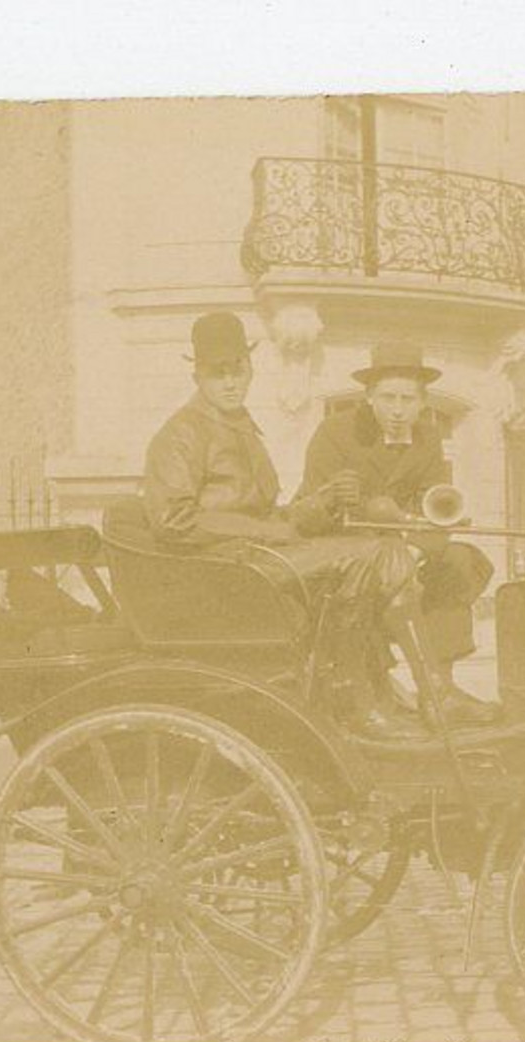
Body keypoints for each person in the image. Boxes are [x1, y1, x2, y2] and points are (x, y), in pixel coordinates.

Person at [141, 311, 428, 740]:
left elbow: (273, 517)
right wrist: (268, 533)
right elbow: (173, 520)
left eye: (237, 369)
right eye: (217, 374)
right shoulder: (181, 434)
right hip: (224, 572)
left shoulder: (241, 430)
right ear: (198, 375)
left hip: (258, 559)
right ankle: (360, 700)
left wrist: (323, 501)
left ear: (251, 368)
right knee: (366, 557)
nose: (230, 382)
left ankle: (412, 688)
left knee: (385, 549)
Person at [297, 340, 497, 726]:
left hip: (402, 548)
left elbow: (437, 507)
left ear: (423, 403)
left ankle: (441, 690)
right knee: (393, 562)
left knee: (457, 560)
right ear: (369, 397)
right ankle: (429, 689)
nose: (397, 409)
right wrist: (337, 496)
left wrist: (421, 549)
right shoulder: (334, 433)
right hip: (340, 550)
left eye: (408, 399)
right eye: (387, 397)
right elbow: (308, 516)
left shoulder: (429, 437)